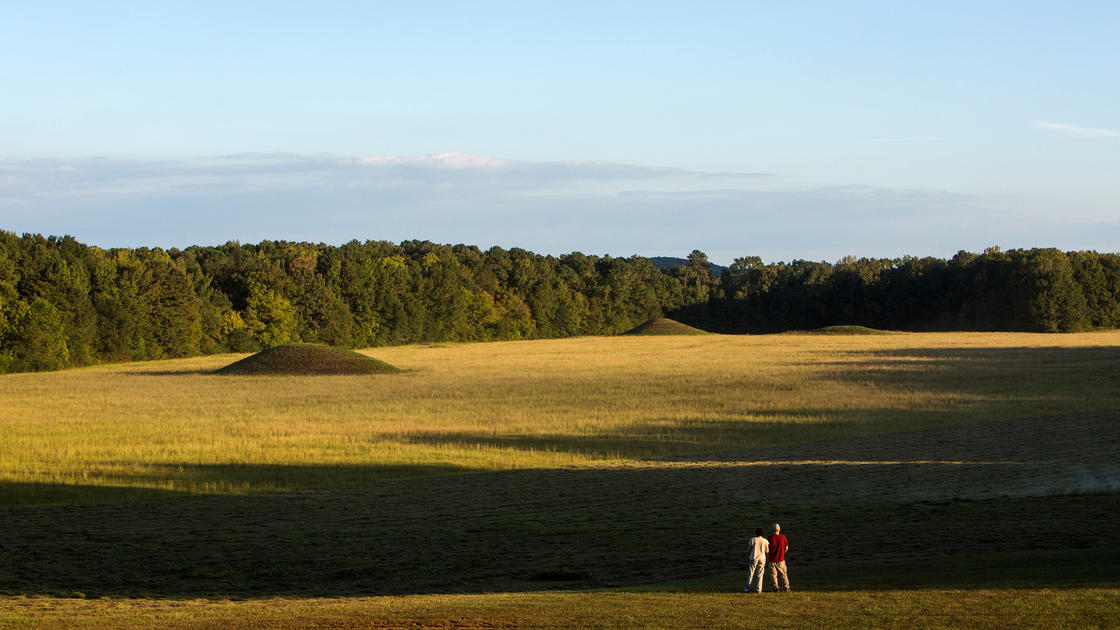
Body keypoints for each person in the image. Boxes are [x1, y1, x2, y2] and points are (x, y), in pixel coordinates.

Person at [743, 527, 769, 593]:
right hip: (762, 558)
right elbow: (767, 551)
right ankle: (758, 589)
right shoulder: (765, 541)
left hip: (753, 557)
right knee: (760, 574)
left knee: (750, 574)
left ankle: (747, 589)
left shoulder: (753, 539)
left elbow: (749, 549)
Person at [767, 522, 791, 592]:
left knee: (773, 575)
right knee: (783, 574)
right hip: (781, 559)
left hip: (771, 559)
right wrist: (782, 552)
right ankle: (786, 587)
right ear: (779, 530)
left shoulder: (769, 538)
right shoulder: (783, 537)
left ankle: (776, 587)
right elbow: (786, 548)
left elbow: (767, 549)